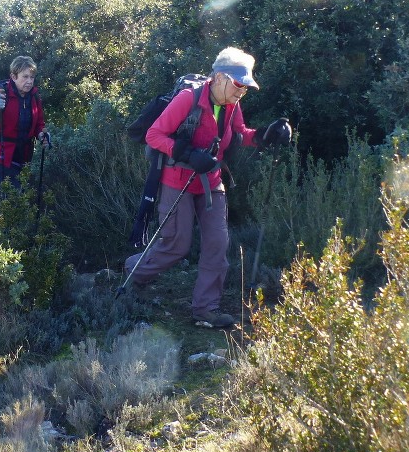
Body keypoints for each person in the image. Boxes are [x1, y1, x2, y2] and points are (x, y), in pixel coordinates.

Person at [122, 47, 292, 328]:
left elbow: (240, 135)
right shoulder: (188, 99)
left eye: (246, 88)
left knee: (217, 243)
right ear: (221, 78)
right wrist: (188, 154)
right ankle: (132, 273)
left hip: (212, 181)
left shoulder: (232, 104)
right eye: (239, 85)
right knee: (177, 245)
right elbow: (154, 135)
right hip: (177, 180)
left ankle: (206, 310)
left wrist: (266, 134)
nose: (242, 92)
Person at [0, 55, 51, 190]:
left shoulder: (34, 96)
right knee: (12, 196)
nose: (29, 81)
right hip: (0, 154)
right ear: (13, 77)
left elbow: (39, 124)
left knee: (20, 194)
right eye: (25, 77)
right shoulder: (1, 93)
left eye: (32, 77)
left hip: (23, 154)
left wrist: (42, 135)